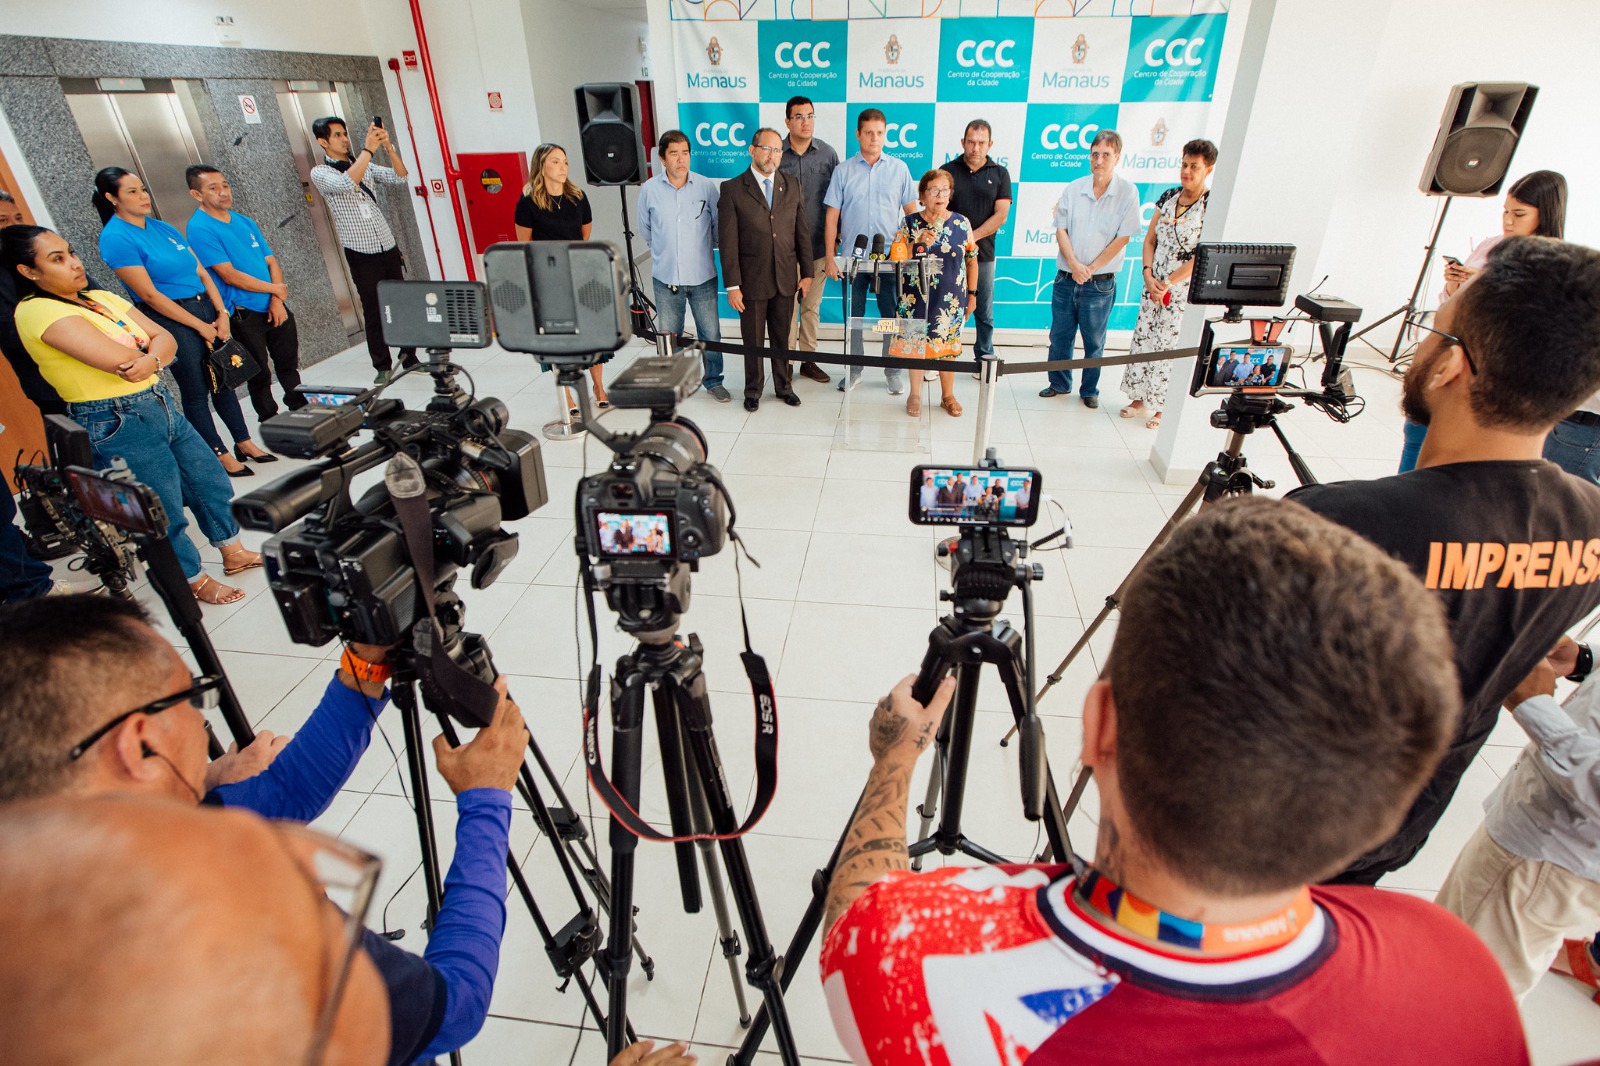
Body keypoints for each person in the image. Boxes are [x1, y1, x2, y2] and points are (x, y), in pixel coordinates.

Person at [819, 498, 1528, 1065]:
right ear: (1390, 798)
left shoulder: (910, 957)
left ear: (1099, 727)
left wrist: (896, 757)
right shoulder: (1457, 973)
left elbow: (855, 911)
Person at [0, 593, 525, 1064]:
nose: (199, 718)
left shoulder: (66, 852)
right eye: (191, 697)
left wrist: (365, 667)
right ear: (139, 746)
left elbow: (288, 788)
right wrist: (486, 797)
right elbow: (454, 1005)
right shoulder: (229, 918)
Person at [1290, 235, 1600, 885]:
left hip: (1276, 826)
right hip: (1401, 828)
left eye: (1435, 330)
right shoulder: (1591, 522)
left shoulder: (1333, 523)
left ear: (1450, 366)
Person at [3, 226, 262, 604]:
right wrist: (154, 354)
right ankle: (189, 578)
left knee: (207, 479)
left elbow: (166, 339)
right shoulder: (36, 310)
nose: (74, 263)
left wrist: (151, 359)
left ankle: (232, 551)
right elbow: (119, 361)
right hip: (112, 418)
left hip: (157, 400)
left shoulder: (99, 297)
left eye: (71, 252)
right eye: (57, 259)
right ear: (29, 271)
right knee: (161, 507)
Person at [1435, 634, 1600, 1001]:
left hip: (1550, 852)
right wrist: (1585, 660)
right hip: (1551, 839)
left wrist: (1536, 709)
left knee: (1460, 988)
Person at [94, 167, 269, 476]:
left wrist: (221, 313)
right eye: (132, 192)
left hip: (206, 308)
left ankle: (244, 442)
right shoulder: (115, 237)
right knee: (196, 389)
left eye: (143, 189)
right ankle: (218, 453)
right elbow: (149, 295)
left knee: (224, 378)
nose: (143, 196)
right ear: (112, 198)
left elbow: (201, 271)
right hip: (170, 318)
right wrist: (199, 326)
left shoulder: (162, 227)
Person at [1399, 169, 1567, 473]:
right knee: (1417, 429)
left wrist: (1487, 283)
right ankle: (1404, 493)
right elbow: (1450, 304)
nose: (1508, 221)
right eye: (1505, 211)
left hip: (1487, 369)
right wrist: (1455, 283)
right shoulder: (1491, 245)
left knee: (1452, 452)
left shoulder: (1551, 264)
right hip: (1450, 350)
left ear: (1545, 214)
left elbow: (1529, 321)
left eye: (1519, 214)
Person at [185, 164, 304, 423]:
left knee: (288, 364)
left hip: (274, 305)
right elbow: (228, 274)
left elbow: (271, 261)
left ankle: (301, 407)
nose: (223, 192)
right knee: (259, 372)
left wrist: (277, 299)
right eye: (213, 188)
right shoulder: (200, 228)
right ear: (197, 194)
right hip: (243, 312)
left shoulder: (244, 221)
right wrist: (275, 289)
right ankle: (270, 418)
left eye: (225, 185)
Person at [310, 116, 416, 385]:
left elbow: (400, 176)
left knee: (400, 302)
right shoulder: (321, 173)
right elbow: (346, 183)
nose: (345, 139)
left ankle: (410, 356)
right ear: (323, 141)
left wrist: (388, 147)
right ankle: (382, 364)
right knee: (373, 309)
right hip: (360, 251)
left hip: (386, 244)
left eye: (344, 133)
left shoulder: (363, 163)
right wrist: (368, 149)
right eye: (337, 135)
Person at [1119, 139, 1216, 429]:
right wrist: (1148, 274)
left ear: (1208, 169)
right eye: (1184, 164)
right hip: (1153, 284)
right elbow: (1150, 240)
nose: (1187, 171)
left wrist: (1169, 282)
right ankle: (1138, 398)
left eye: (1194, 167)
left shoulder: (1209, 203)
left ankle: (1163, 407)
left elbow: (1202, 255)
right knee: (1145, 338)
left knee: (1169, 345)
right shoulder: (1169, 196)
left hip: (1180, 289)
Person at [1040, 130, 1140, 408]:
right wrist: (1074, 265)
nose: (1099, 160)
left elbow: (1123, 238)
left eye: (1106, 155)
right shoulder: (1074, 188)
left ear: (1117, 157)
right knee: (1060, 336)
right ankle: (1059, 383)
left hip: (1099, 283)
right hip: (1066, 278)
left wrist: (1091, 267)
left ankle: (1089, 390)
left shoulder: (1128, 192)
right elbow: (1061, 229)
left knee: (1094, 340)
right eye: (1095, 154)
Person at [823, 109, 918, 396]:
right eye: (868, 133)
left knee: (890, 317)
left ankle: (892, 371)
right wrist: (829, 257)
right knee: (854, 319)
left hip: (890, 261)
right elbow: (831, 217)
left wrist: (909, 253)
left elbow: (911, 215)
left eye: (879, 133)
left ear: (885, 135)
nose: (874, 138)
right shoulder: (843, 171)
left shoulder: (899, 169)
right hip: (853, 260)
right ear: (858, 134)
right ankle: (854, 370)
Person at [719, 127, 813, 413]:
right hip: (751, 281)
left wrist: (807, 273)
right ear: (752, 150)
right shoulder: (732, 189)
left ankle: (784, 387)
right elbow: (727, 242)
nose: (772, 155)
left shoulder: (792, 184)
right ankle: (753, 390)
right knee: (753, 340)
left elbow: (802, 232)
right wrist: (732, 285)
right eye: (766, 149)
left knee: (782, 337)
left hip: (785, 277)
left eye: (777, 150)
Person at [514, 142, 607, 407]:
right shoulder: (528, 202)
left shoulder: (577, 196)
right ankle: (565, 393)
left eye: (565, 161)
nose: (563, 167)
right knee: (557, 334)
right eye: (555, 161)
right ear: (541, 166)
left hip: (579, 271)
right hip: (548, 277)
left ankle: (599, 386)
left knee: (590, 330)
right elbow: (525, 243)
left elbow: (584, 233)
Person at [638, 130, 726, 402]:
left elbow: (717, 229)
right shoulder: (649, 190)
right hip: (666, 278)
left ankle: (714, 381)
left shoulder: (705, 187)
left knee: (710, 334)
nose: (681, 159)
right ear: (662, 158)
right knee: (669, 336)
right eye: (674, 154)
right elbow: (646, 231)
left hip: (702, 277)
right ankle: (674, 383)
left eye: (685, 153)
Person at [892, 170, 976, 418]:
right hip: (914, 298)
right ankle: (915, 394)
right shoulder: (909, 223)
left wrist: (972, 295)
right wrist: (916, 243)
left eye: (945, 190)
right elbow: (895, 258)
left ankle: (947, 396)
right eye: (934, 190)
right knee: (915, 345)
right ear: (922, 195)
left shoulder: (961, 222)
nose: (940, 196)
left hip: (950, 299)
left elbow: (972, 260)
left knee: (947, 347)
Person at [940, 120, 1012, 368]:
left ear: (990, 144)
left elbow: (1001, 215)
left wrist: (971, 238)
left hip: (984, 254)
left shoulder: (1000, 174)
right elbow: (938, 210)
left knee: (983, 308)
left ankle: (984, 355)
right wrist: (958, 241)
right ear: (963, 142)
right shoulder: (947, 171)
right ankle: (940, 354)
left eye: (981, 143)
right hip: (949, 254)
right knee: (944, 304)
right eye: (971, 142)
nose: (975, 148)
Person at [779, 95, 838, 386]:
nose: (806, 122)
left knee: (811, 307)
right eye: (799, 116)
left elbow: (838, 201)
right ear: (787, 121)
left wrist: (834, 242)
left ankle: (808, 359)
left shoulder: (827, 154)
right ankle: (787, 363)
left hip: (817, 246)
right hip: (784, 248)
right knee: (787, 309)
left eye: (810, 116)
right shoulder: (776, 153)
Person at [0, 189, 66, 418]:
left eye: (18, 218)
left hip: (97, 371)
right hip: (49, 385)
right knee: (77, 440)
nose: (14, 226)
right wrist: (76, 339)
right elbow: (12, 333)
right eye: (3, 220)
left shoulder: (42, 256)